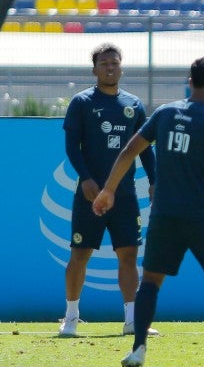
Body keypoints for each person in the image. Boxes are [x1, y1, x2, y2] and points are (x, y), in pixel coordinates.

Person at [92, 57, 204, 367]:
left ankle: (138, 350)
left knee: (150, 281)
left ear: (190, 80)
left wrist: (108, 190)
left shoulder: (164, 113)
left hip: (164, 215)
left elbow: (128, 151)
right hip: (202, 214)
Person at [59, 43, 159, 338]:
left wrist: (154, 180)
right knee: (80, 253)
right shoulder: (82, 102)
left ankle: (132, 320)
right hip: (89, 195)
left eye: (114, 63)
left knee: (129, 255)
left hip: (125, 195)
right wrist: (86, 179)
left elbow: (145, 150)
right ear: (95, 69)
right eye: (104, 64)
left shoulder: (134, 105)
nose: (110, 68)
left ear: (121, 67)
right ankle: (71, 317)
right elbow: (71, 147)